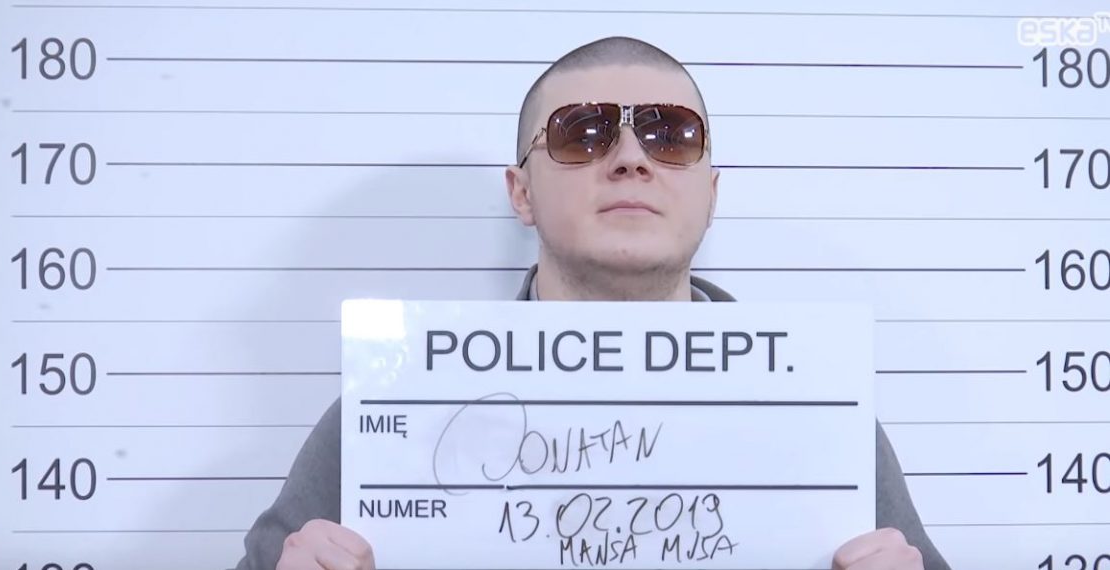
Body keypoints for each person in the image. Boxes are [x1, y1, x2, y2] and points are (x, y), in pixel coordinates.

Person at [235, 35, 951, 570]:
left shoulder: (822, 413)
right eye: (582, 134)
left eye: (672, 136)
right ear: (521, 192)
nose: (631, 157)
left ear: (711, 194)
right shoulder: (394, 406)